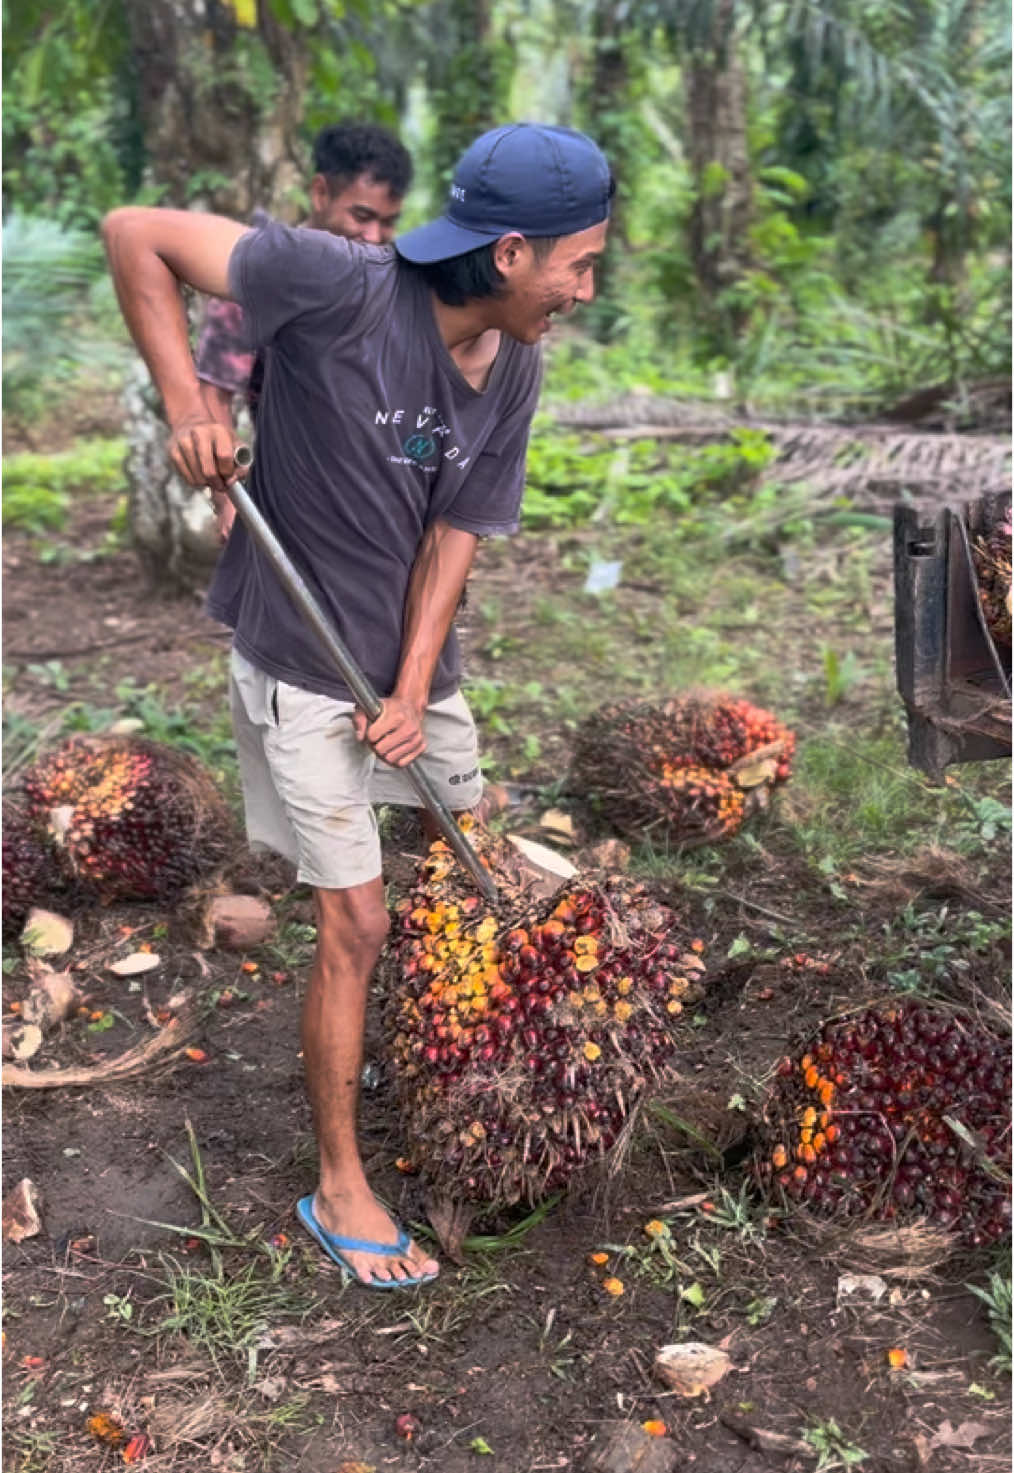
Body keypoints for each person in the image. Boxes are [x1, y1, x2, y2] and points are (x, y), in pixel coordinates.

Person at [102, 122, 614, 1290]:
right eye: (578, 264)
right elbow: (137, 235)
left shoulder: (517, 365)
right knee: (359, 922)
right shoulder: (339, 282)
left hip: (407, 665)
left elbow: (455, 530)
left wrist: (415, 683)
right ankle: (338, 1183)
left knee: (456, 860)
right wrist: (189, 399)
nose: (586, 289)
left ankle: (418, 1052)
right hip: (299, 656)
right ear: (510, 253)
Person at [195, 121, 412, 538]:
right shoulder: (263, 275)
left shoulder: (390, 280)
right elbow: (213, 395)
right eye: (362, 216)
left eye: (388, 222)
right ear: (320, 193)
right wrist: (230, 501)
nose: (374, 236)